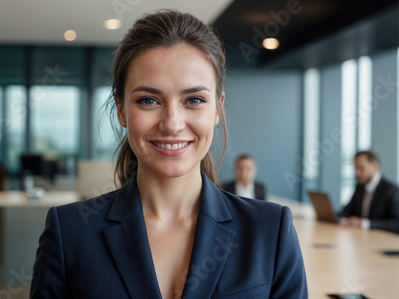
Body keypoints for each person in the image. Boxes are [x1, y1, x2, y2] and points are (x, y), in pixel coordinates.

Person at [30, 10, 307, 299]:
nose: (172, 123)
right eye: (149, 100)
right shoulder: (70, 233)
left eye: (194, 100)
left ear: (217, 108)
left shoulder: (270, 231)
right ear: (122, 109)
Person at [339, 150, 399, 234]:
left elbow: (396, 224)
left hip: (383, 241)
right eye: (355, 168)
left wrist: (364, 223)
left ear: (375, 166)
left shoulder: (392, 190)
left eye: (361, 168)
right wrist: (330, 216)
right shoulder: (360, 186)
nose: (357, 173)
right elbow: (347, 212)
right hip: (362, 238)